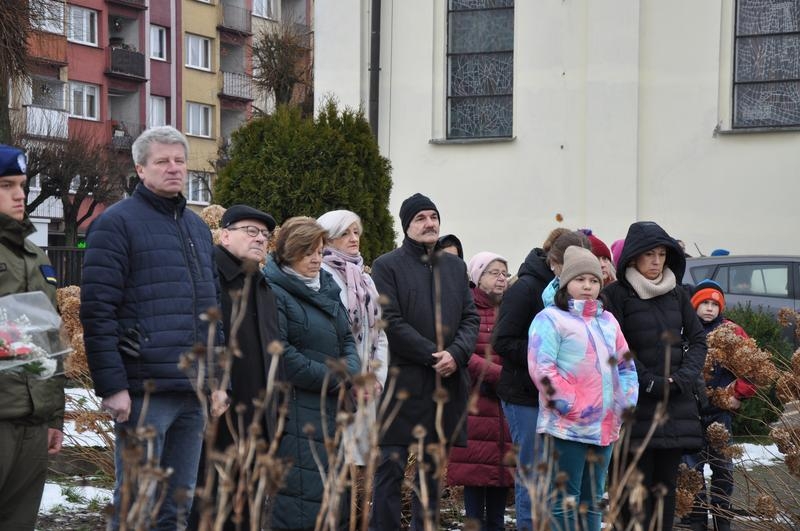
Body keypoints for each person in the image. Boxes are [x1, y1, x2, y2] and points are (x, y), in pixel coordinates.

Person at [81, 126, 228, 530]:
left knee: (176, 507)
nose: (174, 168)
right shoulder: (116, 224)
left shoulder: (197, 228)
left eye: (180, 161)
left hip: (193, 392)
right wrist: (112, 386)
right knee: (136, 505)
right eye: (163, 161)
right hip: (144, 390)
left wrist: (217, 380)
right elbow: (97, 310)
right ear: (140, 169)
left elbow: (212, 309)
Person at [369, 193, 479, 531]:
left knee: (431, 474)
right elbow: (391, 319)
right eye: (420, 218)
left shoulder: (456, 266)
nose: (429, 223)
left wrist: (456, 355)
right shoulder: (387, 265)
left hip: (444, 384)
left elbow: (469, 319)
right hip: (402, 384)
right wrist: (435, 355)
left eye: (433, 216)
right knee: (390, 467)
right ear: (407, 226)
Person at [602, 221, 707, 531]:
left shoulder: (677, 294)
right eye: (649, 255)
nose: (657, 261)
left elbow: (698, 339)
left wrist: (684, 378)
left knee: (664, 491)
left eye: (662, 254)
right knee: (631, 491)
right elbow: (613, 346)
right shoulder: (616, 295)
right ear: (634, 257)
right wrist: (645, 380)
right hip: (634, 410)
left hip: (674, 407)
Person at [528, 246, 638, 531]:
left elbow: (625, 366)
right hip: (567, 427)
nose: (587, 286)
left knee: (594, 499)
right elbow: (543, 369)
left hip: (604, 427)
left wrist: (624, 405)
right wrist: (573, 405)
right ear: (566, 283)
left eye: (593, 280)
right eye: (580, 280)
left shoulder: (608, 321)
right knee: (564, 499)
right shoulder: (551, 319)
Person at [261, 216, 361, 530]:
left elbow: (348, 338)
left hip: (333, 411)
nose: (317, 258)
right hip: (296, 413)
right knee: (301, 503)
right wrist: (336, 378)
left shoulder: (328, 289)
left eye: (319, 251)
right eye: (308, 253)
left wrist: (351, 372)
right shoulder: (275, 291)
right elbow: (283, 354)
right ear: (289, 254)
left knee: (335, 501)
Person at [188, 204, 282, 530]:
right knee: (211, 509)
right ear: (225, 234)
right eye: (250, 231)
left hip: (256, 421)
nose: (259, 239)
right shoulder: (207, 278)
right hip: (218, 418)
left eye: (265, 235)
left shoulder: (262, 286)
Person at [491, 228, 589, 531]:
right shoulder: (525, 288)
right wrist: (546, 353)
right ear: (554, 262)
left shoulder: (574, 292)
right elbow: (503, 341)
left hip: (563, 397)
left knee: (558, 474)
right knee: (532, 471)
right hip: (524, 395)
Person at [0, 145, 66, 528]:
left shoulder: (33, 254)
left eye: (21, 185)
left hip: (32, 418)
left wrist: (54, 415)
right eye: (6, 185)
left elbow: (46, 336)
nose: (19, 194)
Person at [447, 251, 515, 531]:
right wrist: (498, 374)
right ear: (477, 277)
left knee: (501, 475)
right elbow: (463, 351)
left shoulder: (511, 308)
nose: (501, 278)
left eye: (504, 273)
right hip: (475, 403)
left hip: (505, 404)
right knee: (475, 474)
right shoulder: (466, 309)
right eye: (493, 272)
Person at [683, 279, 756, 531]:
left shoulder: (731, 332)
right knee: (691, 469)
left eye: (715, 304)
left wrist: (738, 393)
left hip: (720, 412)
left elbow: (753, 367)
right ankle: (696, 518)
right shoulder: (685, 332)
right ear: (694, 305)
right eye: (704, 302)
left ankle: (722, 518)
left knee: (722, 466)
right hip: (690, 412)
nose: (709, 308)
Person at [317, 210, 389, 461]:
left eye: (356, 232)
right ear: (327, 238)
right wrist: (350, 381)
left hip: (367, 386)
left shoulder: (365, 279)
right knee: (332, 460)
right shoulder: (320, 276)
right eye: (345, 233)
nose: (353, 238)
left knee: (357, 471)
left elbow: (378, 333)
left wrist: (376, 378)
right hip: (339, 385)